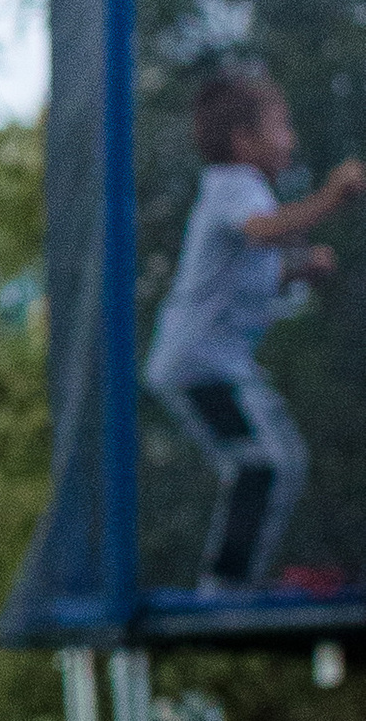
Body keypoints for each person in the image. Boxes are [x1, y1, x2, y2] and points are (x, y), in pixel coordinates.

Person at [145, 65, 363, 595]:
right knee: (259, 460)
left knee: (277, 460)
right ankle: (225, 583)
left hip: (213, 365)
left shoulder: (245, 192)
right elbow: (264, 233)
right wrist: (331, 197)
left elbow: (253, 268)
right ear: (245, 142)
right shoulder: (231, 187)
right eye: (281, 127)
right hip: (198, 362)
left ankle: (236, 576)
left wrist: (299, 268)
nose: (290, 139)